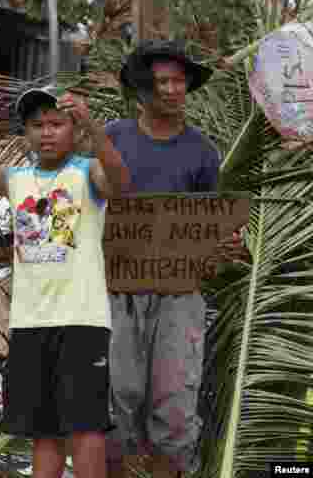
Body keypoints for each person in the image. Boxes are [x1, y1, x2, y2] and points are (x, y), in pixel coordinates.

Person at [0, 85, 131, 478]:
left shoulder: (86, 172)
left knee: (86, 429)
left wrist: (94, 127)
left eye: (57, 123)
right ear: (26, 134)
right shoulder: (14, 178)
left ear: (73, 130)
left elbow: (121, 181)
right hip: (27, 323)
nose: (47, 132)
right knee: (44, 431)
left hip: (82, 321)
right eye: (37, 125)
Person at [106, 41, 220, 478]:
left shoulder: (203, 152)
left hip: (179, 295)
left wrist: (222, 246)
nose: (173, 90)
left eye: (179, 81)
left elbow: (209, 227)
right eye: (162, 82)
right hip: (117, 292)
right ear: (143, 90)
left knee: (174, 412)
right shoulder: (114, 137)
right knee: (115, 408)